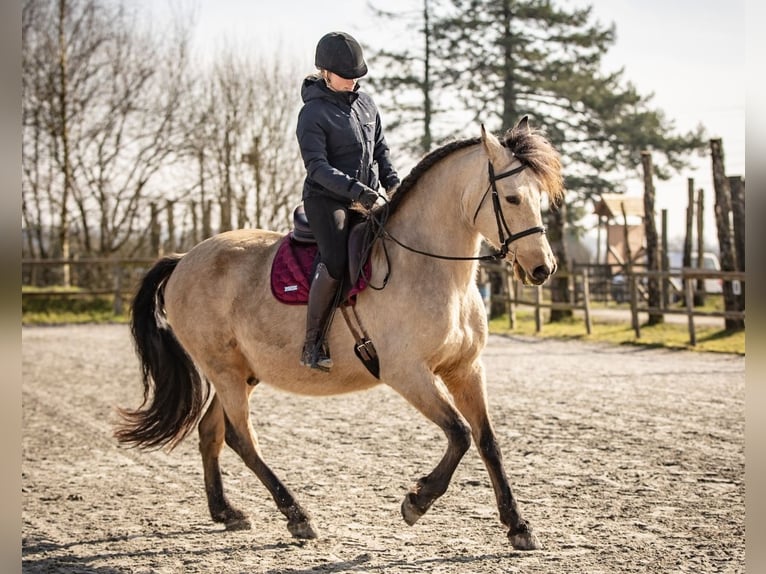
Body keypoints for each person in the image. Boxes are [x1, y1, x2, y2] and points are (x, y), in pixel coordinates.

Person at [296, 31, 399, 372]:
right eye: (346, 75)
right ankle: (313, 342)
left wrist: (394, 183)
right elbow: (317, 167)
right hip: (328, 201)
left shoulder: (367, 104)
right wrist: (356, 190)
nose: (354, 81)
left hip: (366, 196)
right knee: (337, 260)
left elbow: (381, 149)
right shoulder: (311, 114)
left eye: (358, 75)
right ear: (324, 71)